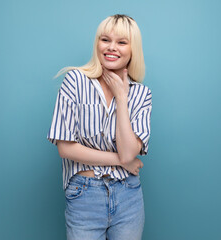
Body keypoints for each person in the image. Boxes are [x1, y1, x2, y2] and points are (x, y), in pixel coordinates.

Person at [47, 14, 152, 240]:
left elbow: (128, 152)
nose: (111, 47)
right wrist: (123, 161)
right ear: (97, 43)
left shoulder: (142, 95)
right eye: (105, 40)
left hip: (129, 195)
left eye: (122, 42)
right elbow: (66, 148)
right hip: (85, 194)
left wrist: (122, 98)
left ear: (133, 49)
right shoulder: (74, 81)